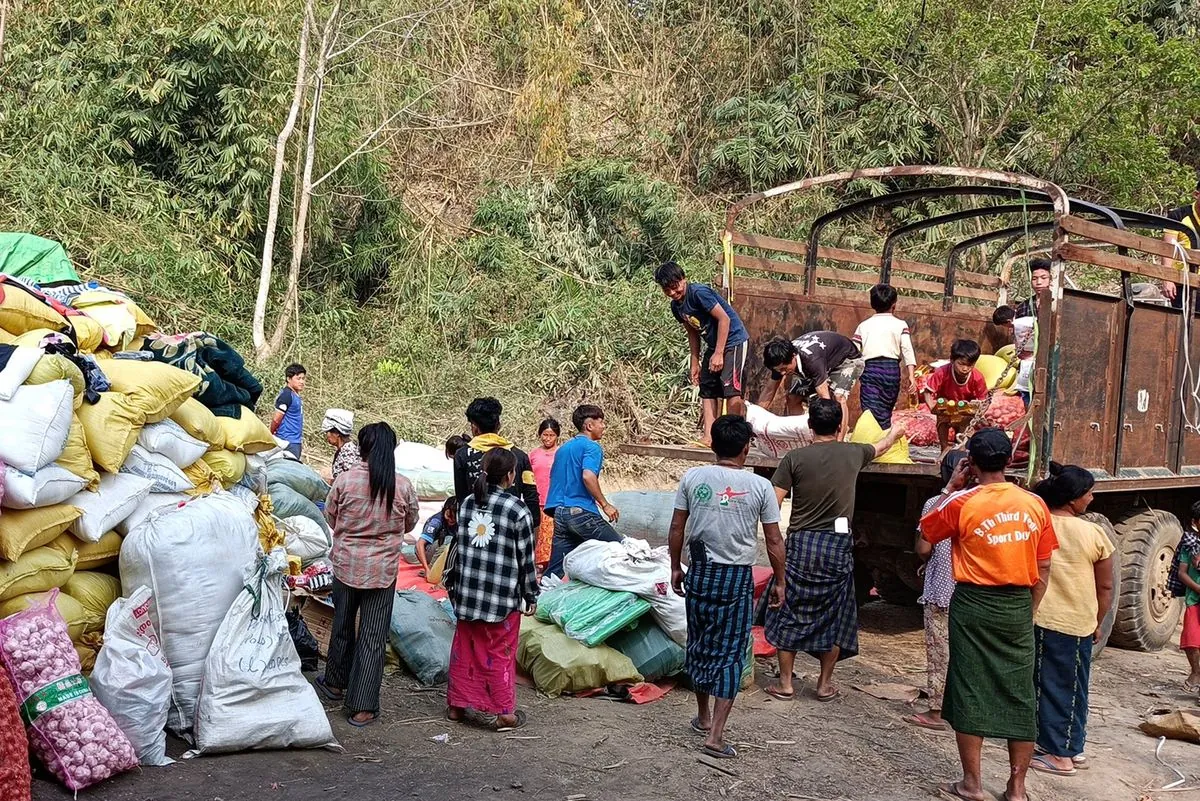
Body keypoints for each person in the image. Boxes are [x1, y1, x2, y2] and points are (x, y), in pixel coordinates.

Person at [919, 428, 1058, 801]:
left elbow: (924, 540)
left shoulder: (962, 503)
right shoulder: (1035, 504)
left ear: (972, 463)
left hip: (973, 604)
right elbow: (1043, 569)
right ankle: (1016, 787)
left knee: (968, 689)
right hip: (1017, 606)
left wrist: (951, 486)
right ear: (1009, 460)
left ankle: (972, 784)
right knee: (1020, 693)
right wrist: (1028, 612)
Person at [763, 399, 907, 702]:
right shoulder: (854, 453)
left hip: (802, 544)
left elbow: (773, 502)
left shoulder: (795, 458)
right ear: (841, 426)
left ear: (810, 426)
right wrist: (896, 432)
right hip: (837, 545)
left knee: (790, 609)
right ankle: (824, 684)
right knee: (836, 613)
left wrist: (774, 538)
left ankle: (786, 683)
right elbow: (880, 447)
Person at [669, 415, 787, 759]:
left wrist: (676, 566)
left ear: (712, 445)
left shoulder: (693, 477)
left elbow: (677, 527)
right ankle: (716, 735)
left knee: (701, 641)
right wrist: (780, 580)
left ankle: (704, 717)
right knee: (731, 651)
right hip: (736, 577)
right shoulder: (760, 487)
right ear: (747, 448)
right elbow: (774, 539)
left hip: (700, 572)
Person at [317, 422, 420, 726]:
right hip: (382, 572)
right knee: (373, 637)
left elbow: (331, 518)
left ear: (361, 448)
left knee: (342, 625)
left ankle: (335, 683)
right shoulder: (402, 486)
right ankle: (362, 705)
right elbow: (410, 523)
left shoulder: (345, 481)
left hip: (346, 566)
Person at [1029, 463, 1114, 777]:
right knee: (1074, 686)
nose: (1092, 499)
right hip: (1078, 620)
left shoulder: (1039, 524)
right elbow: (1105, 586)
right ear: (1073, 497)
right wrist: (1098, 621)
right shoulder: (1094, 533)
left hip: (1045, 617)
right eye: (1089, 493)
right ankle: (1071, 749)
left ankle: (1059, 753)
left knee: (1049, 685)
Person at [446, 448, 538, 731]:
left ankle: (457, 707)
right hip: (501, 597)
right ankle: (504, 713)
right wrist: (530, 593)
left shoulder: (466, 504)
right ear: (511, 476)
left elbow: (459, 549)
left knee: (465, 647)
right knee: (499, 652)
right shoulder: (517, 509)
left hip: (467, 593)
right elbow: (526, 558)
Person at [903, 450, 966, 732]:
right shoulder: (981, 503)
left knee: (941, 651)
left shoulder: (937, 504)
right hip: (971, 590)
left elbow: (924, 548)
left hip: (942, 589)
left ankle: (938, 710)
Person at [654, 261, 750, 446]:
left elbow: (724, 319)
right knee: (706, 387)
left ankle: (734, 438)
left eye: (675, 287)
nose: (673, 293)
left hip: (734, 340)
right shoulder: (676, 307)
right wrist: (694, 362)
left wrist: (720, 353)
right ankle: (709, 436)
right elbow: (692, 332)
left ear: (683, 279)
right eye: (667, 291)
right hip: (714, 345)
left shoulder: (698, 293)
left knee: (731, 388)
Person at [543, 404, 623, 578]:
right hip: (581, 512)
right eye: (600, 422)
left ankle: (539, 600)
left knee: (556, 570)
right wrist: (605, 504)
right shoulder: (592, 447)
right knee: (622, 550)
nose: (603, 426)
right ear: (589, 426)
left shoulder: (563, 449)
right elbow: (588, 476)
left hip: (560, 513)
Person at [452, 397, 541, 527]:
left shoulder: (462, 455)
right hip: (510, 527)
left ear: (474, 427)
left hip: (475, 529)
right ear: (498, 425)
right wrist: (534, 529)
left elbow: (461, 497)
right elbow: (531, 497)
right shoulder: (519, 456)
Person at [759, 332, 865, 440]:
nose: (782, 373)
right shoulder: (780, 361)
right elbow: (769, 389)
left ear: (793, 357)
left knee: (838, 397)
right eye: (778, 370)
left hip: (847, 359)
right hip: (823, 362)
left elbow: (825, 401)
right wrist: (755, 421)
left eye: (784, 369)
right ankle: (800, 436)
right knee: (793, 398)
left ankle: (838, 441)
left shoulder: (812, 361)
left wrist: (825, 435)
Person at [853, 283, 917, 429]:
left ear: (872, 303)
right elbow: (907, 350)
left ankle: (873, 443)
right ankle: (885, 441)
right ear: (894, 305)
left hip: (870, 370)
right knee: (886, 411)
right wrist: (912, 376)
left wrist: (851, 376)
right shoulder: (901, 324)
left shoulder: (864, 326)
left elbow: (854, 351)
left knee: (870, 412)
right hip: (891, 371)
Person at [922, 339, 989, 451]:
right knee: (942, 422)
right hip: (946, 407)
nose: (965, 369)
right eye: (961, 364)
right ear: (952, 360)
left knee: (962, 437)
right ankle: (944, 449)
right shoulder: (941, 372)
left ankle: (960, 451)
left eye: (970, 365)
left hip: (965, 410)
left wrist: (979, 412)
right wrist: (932, 407)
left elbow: (984, 399)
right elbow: (928, 391)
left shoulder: (977, 377)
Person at [1159, 174, 1200, 306]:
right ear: (1196, 194)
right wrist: (1167, 279)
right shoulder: (1178, 216)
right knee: (1182, 323)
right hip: (1183, 281)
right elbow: (1167, 249)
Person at [529, 418, 561, 571]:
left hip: (555, 502)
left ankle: (549, 567)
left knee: (551, 538)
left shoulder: (561, 454)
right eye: (545, 435)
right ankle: (538, 568)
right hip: (537, 501)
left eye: (551, 435)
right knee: (537, 538)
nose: (548, 438)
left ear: (557, 436)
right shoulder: (533, 455)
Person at [992, 307, 1035, 409]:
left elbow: (1026, 348)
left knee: (1027, 393)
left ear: (1008, 321)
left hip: (1030, 361)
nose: (1007, 328)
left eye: (1004, 325)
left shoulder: (1020, 325)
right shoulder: (1028, 320)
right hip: (1028, 361)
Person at [1177, 502, 1200, 693]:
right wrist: (1198, 588)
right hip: (1195, 599)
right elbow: (1182, 573)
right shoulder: (1190, 544)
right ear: (1195, 523)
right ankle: (1196, 671)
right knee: (1191, 640)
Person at [271, 363, 306, 459]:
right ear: (289, 379)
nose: (302, 382)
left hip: (295, 441)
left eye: (303, 378)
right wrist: (270, 434)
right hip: (286, 441)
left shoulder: (295, 396)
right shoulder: (286, 395)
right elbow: (276, 419)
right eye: (298, 378)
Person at [417, 497, 457, 578]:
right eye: (448, 515)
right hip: (428, 551)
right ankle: (432, 569)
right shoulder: (436, 521)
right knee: (450, 540)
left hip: (443, 552)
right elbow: (420, 544)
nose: (451, 520)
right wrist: (426, 568)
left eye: (454, 517)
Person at [321, 408, 360, 481]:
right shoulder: (342, 450)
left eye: (328, 432)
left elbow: (351, 482)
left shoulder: (349, 453)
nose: (327, 436)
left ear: (337, 433)